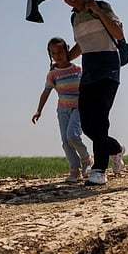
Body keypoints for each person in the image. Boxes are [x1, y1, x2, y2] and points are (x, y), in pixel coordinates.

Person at [57, 0, 125, 186]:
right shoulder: (74, 18)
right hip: (88, 74)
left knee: (100, 120)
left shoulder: (102, 6)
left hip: (108, 69)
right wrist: (65, 58)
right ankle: (115, 149)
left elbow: (118, 33)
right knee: (87, 126)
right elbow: (81, 44)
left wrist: (97, 11)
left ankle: (99, 171)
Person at [32, 37, 93, 182]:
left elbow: (89, 87)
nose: (57, 55)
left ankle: (86, 160)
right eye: (53, 53)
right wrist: (38, 110)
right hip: (62, 110)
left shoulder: (78, 69)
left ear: (67, 50)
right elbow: (46, 92)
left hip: (78, 108)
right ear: (50, 55)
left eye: (60, 51)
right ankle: (74, 169)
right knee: (65, 141)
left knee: (72, 136)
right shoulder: (53, 74)